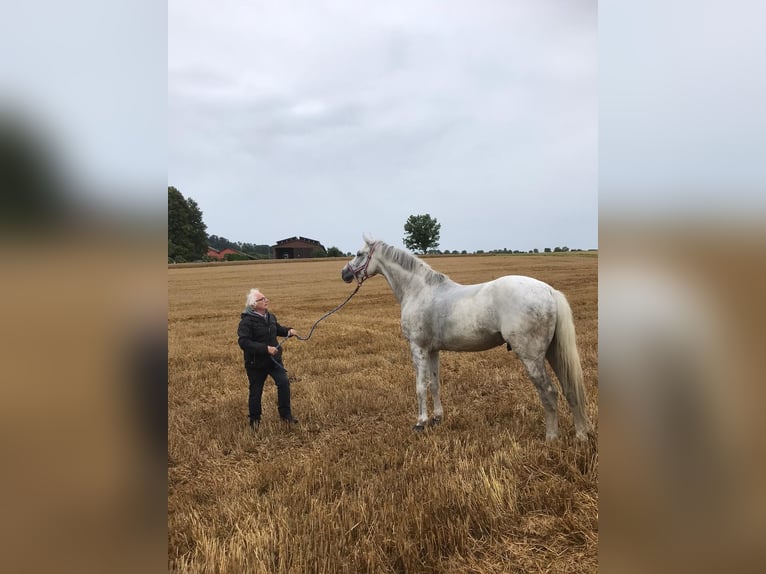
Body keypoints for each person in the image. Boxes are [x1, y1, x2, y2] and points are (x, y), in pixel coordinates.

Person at [237, 288, 299, 428]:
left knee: (284, 383)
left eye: (266, 298)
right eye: (262, 299)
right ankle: (255, 421)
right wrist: (265, 349)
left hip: (274, 361)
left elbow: (277, 329)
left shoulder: (270, 316)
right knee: (256, 391)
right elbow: (244, 342)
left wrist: (288, 331)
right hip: (256, 363)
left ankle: (286, 416)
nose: (266, 301)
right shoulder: (246, 322)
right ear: (254, 305)